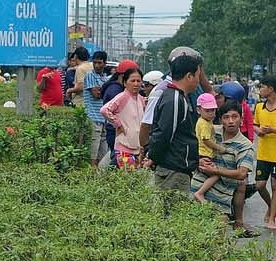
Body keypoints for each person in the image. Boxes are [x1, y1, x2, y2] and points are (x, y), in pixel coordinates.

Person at [147, 53, 202, 195]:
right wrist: (153, 157)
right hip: (173, 171)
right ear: (189, 76)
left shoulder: (175, 96)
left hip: (175, 168)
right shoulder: (175, 99)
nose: (198, 80)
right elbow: (164, 134)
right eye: (197, 76)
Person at [199, 101, 256, 235]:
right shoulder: (211, 132)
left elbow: (242, 173)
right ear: (220, 120)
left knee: (217, 239)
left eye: (234, 117)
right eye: (226, 117)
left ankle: (238, 221)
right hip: (196, 189)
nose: (230, 121)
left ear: (241, 120)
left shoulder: (245, 145)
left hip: (221, 198)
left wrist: (216, 171)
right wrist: (199, 159)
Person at [252, 75, 276, 230]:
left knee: (275, 186)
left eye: (263, 86)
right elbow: (255, 124)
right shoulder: (259, 107)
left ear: (271, 89)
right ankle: (271, 205)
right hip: (263, 153)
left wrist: (273, 130)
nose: (260, 90)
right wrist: (259, 131)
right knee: (259, 185)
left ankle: (272, 217)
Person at [99, 67, 146, 168]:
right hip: (124, 147)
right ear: (125, 83)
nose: (136, 84)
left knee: (135, 179)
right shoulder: (122, 97)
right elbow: (104, 110)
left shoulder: (141, 99)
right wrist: (118, 124)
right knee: (129, 178)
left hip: (137, 148)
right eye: (132, 81)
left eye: (138, 81)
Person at [71, 49, 110, 164]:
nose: (97, 65)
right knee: (93, 153)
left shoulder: (105, 77)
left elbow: (101, 92)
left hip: (103, 119)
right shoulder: (90, 75)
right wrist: (105, 90)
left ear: (105, 63)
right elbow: (96, 95)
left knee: (103, 154)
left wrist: (102, 89)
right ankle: (90, 177)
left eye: (100, 63)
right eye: (95, 62)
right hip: (93, 118)